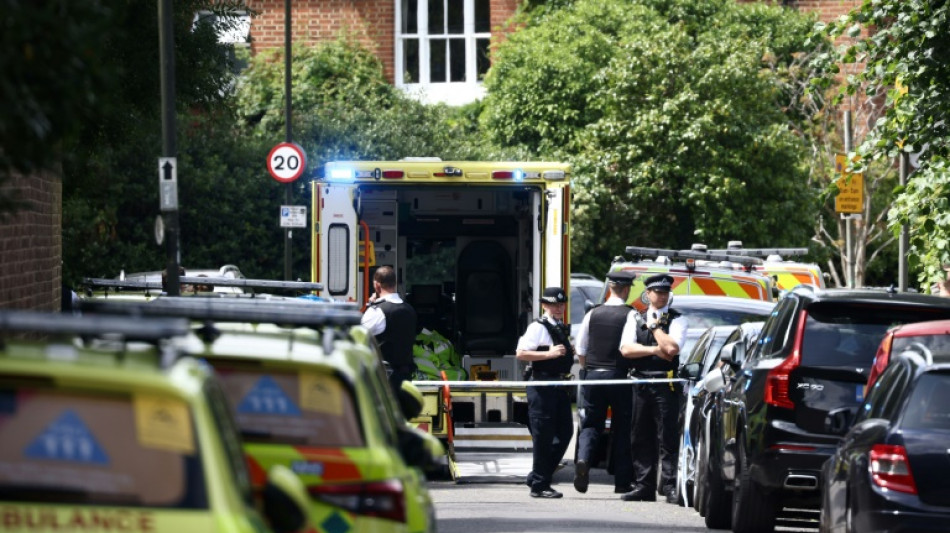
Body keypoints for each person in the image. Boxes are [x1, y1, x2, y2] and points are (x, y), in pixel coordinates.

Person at [619, 274, 688, 503]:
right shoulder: (634, 317)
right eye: (657, 292)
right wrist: (653, 351)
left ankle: (668, 486)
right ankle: (644, 486)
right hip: (640, 383)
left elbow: (671, 349)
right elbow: (626, 350)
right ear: (647, 294)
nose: (662, 295)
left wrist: (656, 328)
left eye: (665, 292)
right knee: (640, 436)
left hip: (664, 383)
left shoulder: (678, 319)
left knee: (667, 437)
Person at [573, 270, 639, 496]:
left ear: (610, 288)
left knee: (591, 424)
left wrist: (587, 368)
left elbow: (580, 348)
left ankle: (583, 459)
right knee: (622, 428)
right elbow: (627, 347)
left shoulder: (593, 313)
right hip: (619, 376)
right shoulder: (630, 315)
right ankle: (622, 482)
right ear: (627, 289)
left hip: (593, 375)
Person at [516, 287, 575, 499]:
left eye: (561, 304)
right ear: (544, 306)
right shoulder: (537, 327)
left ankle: (537, 475)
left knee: (565, 433)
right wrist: (549, 354)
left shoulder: (559, 327)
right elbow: (521, 353)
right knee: (544, 438)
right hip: (542, 387)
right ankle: (540, 485)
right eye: (553, 305)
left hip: (559, 387)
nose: (558, 308)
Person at [361, 266, 418, 393]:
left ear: (376, 285)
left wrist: (369, 306)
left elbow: (358, 336)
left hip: (384, 379)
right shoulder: (409, 309)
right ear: (394, 284)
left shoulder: (377, 311)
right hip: (406, 379)